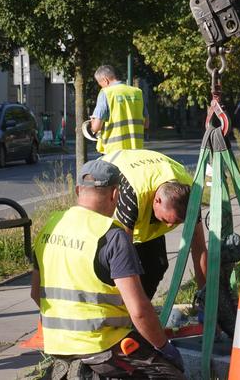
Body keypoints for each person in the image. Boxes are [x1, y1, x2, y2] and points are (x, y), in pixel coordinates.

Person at [30, 160, 185, 379]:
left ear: (78, 190)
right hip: (103, 345)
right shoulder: (111, 235)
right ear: (115, 194)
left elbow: (35, 293)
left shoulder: (50, 226)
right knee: (170, 374)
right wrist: (163, 347)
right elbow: (139, 310)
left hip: (56, 343)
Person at [102, 149, 208, 299]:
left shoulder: (191, 195)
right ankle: (122, 313)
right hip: (105, 183)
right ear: (157, 200)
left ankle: (138, 313)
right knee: (119, 271)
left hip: (147, 179)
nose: (170, 226)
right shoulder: (133, 195)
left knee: (156, 266)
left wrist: (206, 297)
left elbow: (199, 248)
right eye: (166, 220)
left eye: (177, 222)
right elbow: (122, 258)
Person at [90, 65, 149, 154]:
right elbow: (146, 124)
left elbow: (96, 127)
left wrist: (92, 122)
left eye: (100, 84)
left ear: (105, 80)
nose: (101, 87)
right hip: (136, 150)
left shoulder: (106, 93)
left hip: (114, 151)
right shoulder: (137, 92)